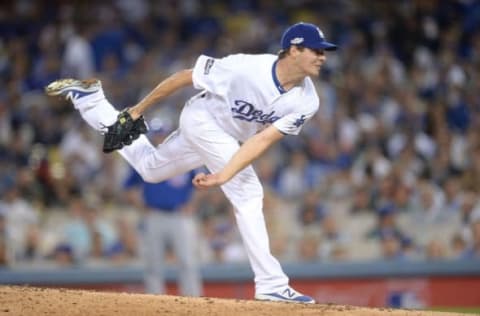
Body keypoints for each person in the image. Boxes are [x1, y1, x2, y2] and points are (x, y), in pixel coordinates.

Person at [45, 22, 337, 303]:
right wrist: (135, 112)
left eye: (324, 51)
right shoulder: (246, 68)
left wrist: (224, 175)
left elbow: (262, 140)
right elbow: (184, 77)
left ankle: (91, 100)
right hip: (201, 118)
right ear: (294, 50)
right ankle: (271, 285)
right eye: (316, 50)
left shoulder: (307, 100)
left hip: (225, 137)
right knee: (249, 192)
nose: (322, 57)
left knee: (150, 170)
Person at [123, 122, 202, 296]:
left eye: (163, 134)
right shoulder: (145, 158)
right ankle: (154, 302)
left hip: (180, 216)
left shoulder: (183, 156)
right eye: (157, 135)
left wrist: (192, 204)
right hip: (155, 215)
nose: (160, 138)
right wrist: (142, 206)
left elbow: (200, 182)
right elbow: (128, 187)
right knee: (153, 263)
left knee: (187, 261)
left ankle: (194, 302)